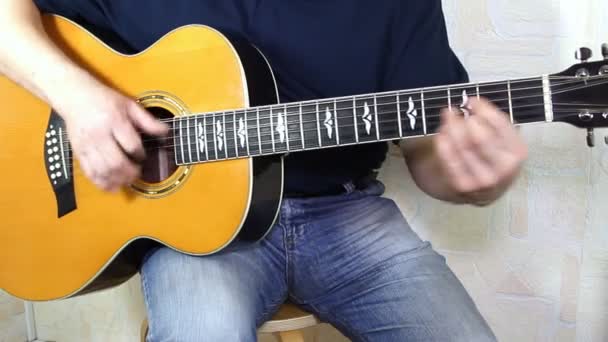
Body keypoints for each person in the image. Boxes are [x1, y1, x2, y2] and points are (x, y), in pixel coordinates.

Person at [0, 1, 528, 341]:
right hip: (203, 238)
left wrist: (472, 179)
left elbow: (426, 154)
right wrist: (78, 98)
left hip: (348, 217)